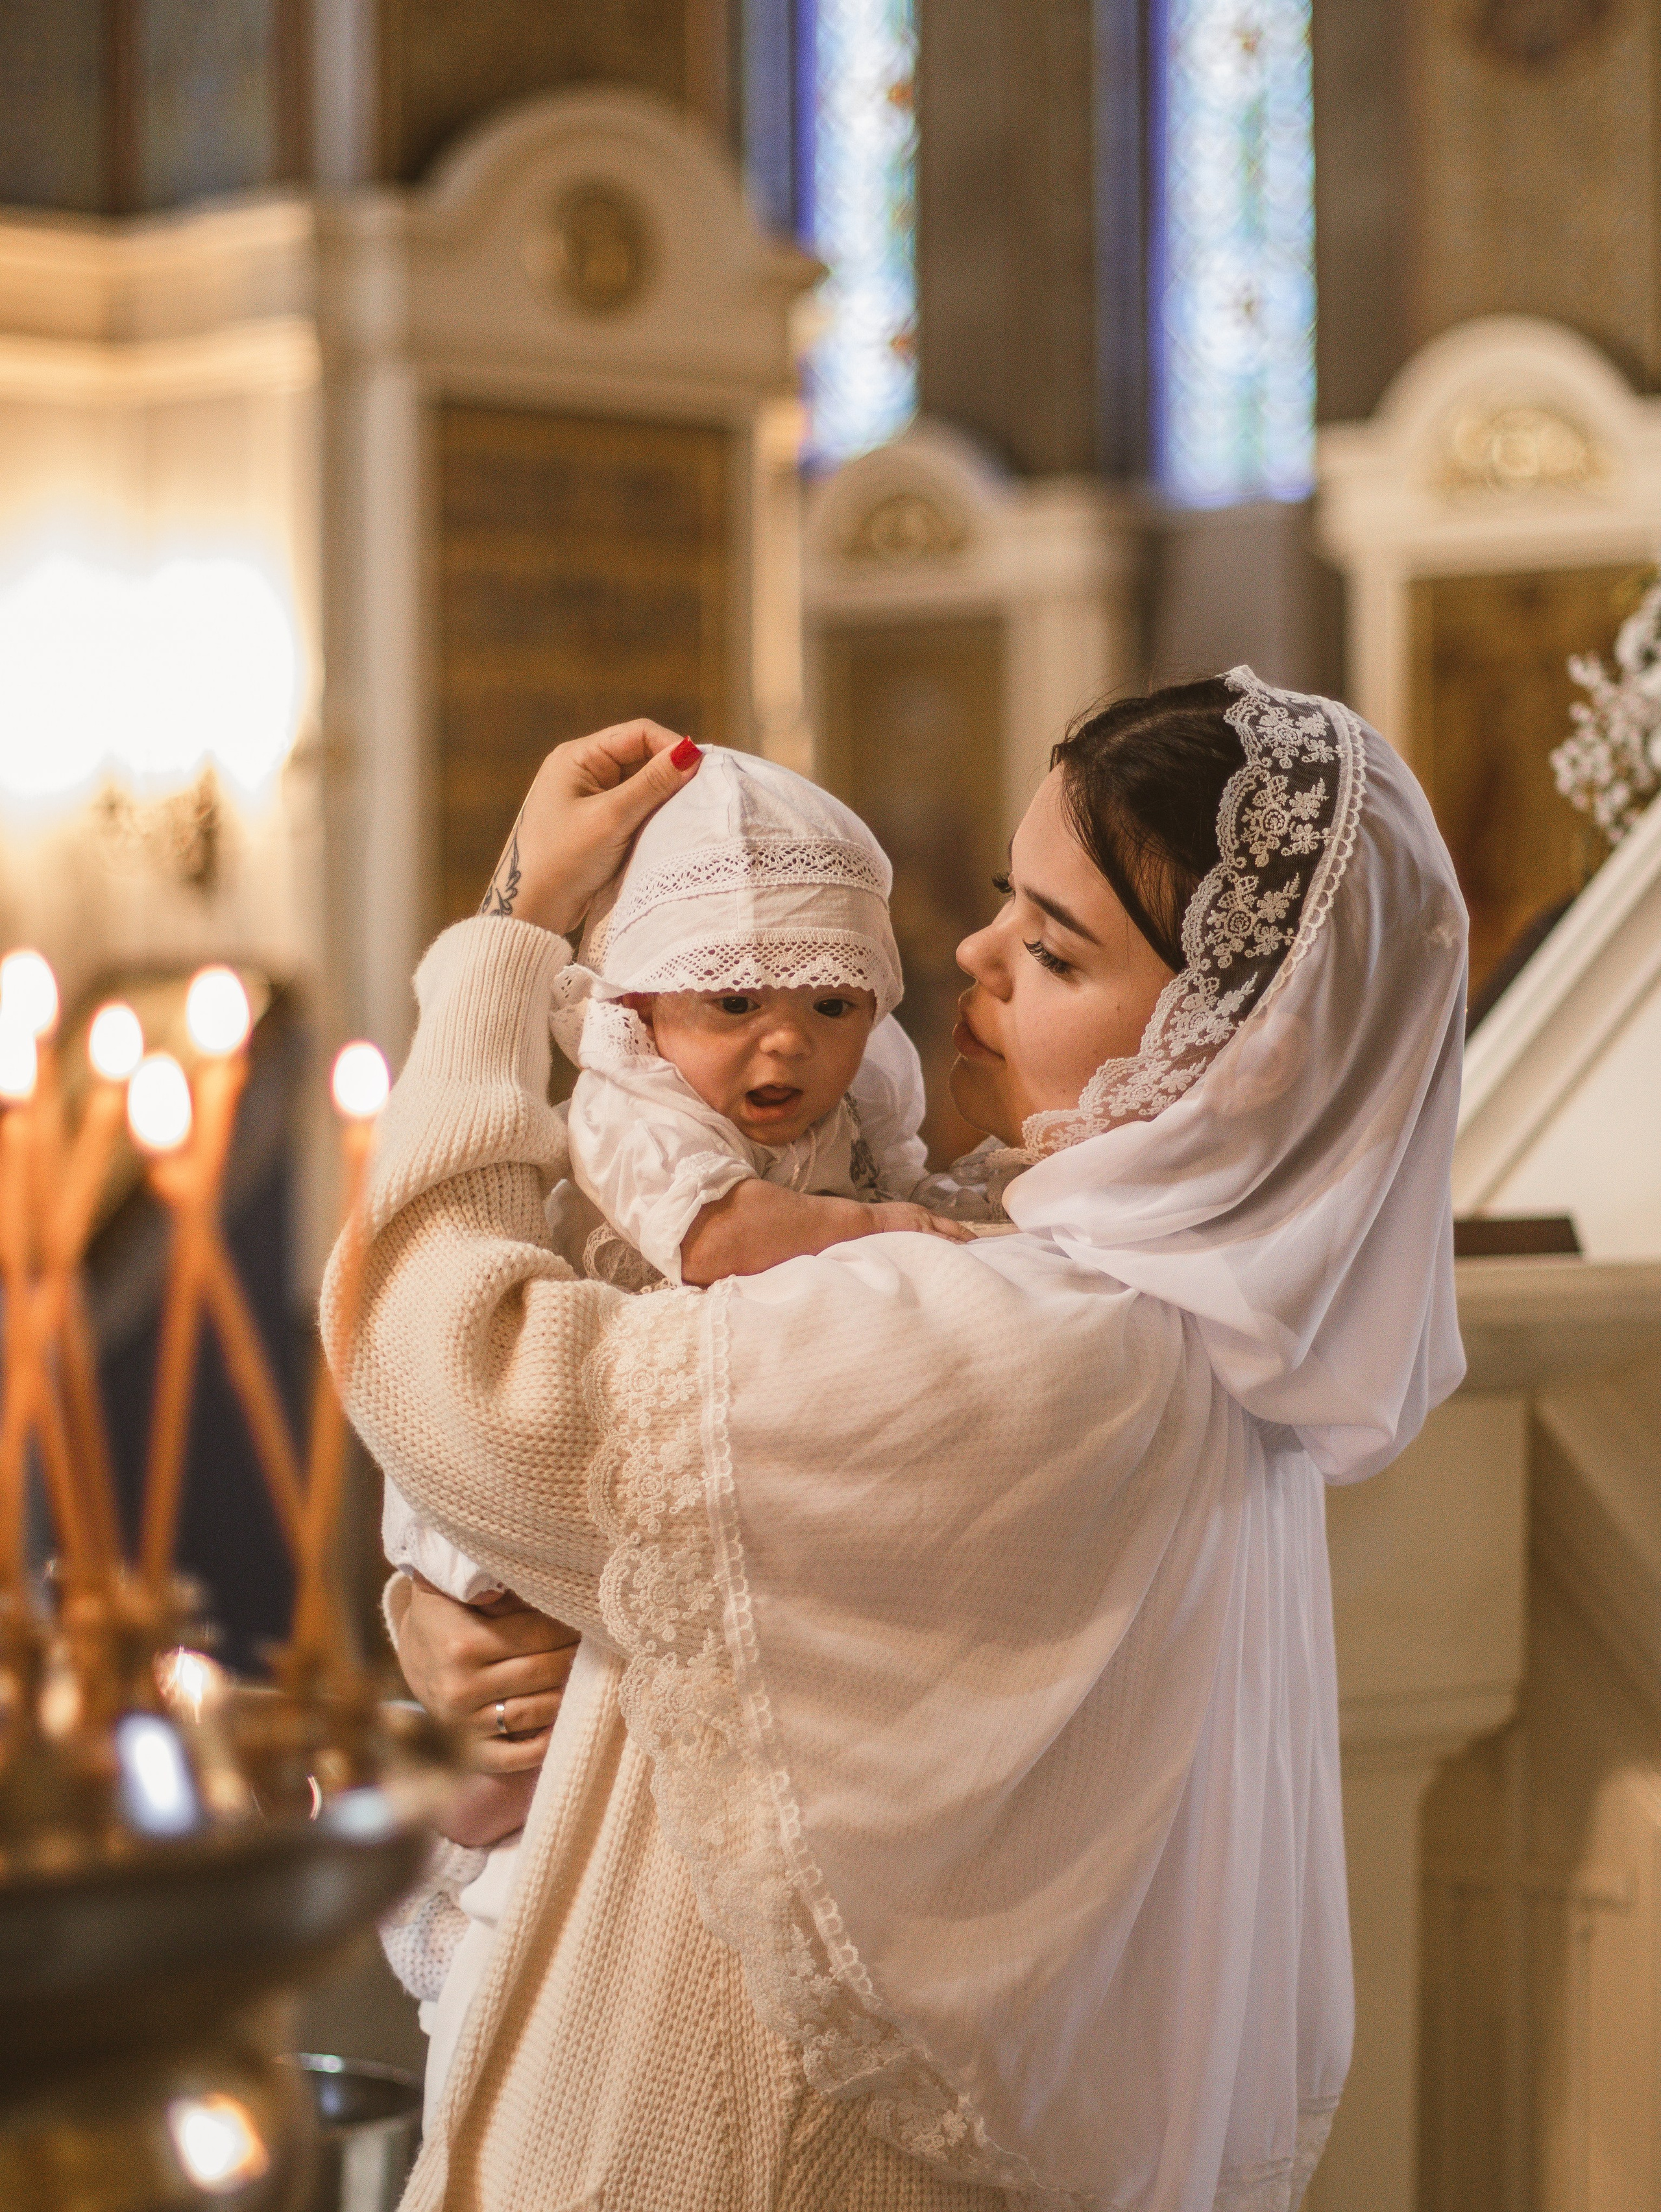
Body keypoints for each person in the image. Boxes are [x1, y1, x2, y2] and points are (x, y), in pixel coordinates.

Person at [331, 669, 1466, 2212]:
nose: (971, 950)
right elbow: (664, 1581)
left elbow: (455, 1368)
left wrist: (507, 937)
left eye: (1051, 948)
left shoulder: (1040, 1341)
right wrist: (470, 1615)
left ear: (1235, 1054)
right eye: (1010, 900)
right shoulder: (1170, 1303)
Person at [378, 744, 971, 2119]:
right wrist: (888, 1233)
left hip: (631, 1497)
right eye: (735, 1002)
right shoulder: (638, 1102)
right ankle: (451, 1809)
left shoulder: (854, 1111)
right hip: (549, 1474)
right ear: (640, 1005)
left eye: (831, 1004)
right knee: (508, 1671)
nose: (786, 1043)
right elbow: (721, 1242)